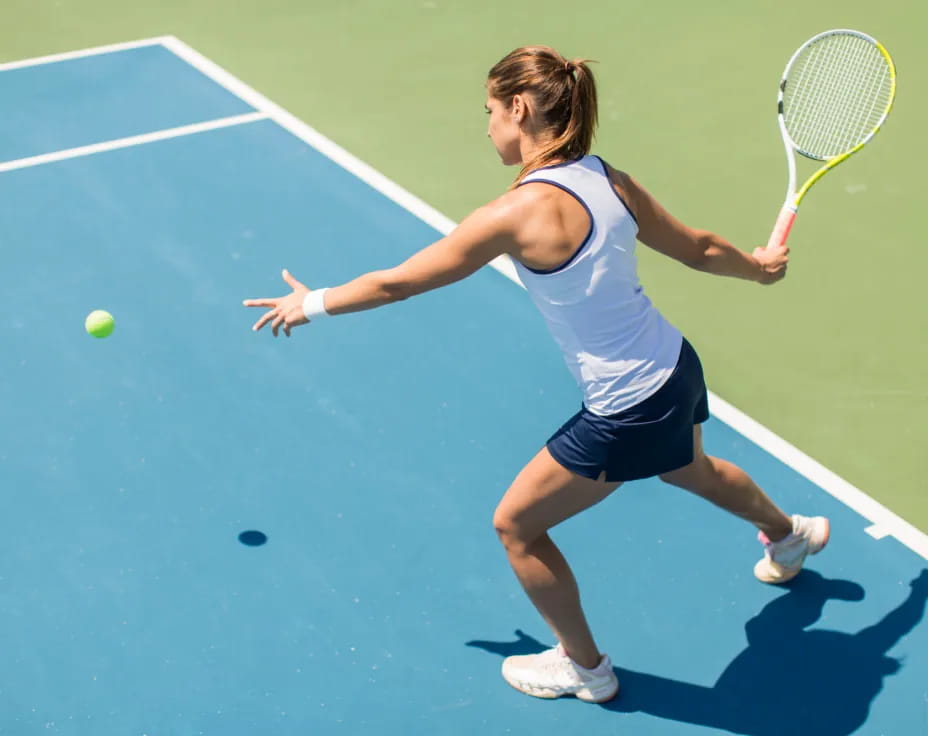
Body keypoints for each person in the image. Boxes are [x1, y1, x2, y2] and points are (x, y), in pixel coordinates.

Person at [242, 45, 830, 704]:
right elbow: (699, 249)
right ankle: (791, 534)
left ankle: (585, 667)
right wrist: (757, 267)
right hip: (673, 368)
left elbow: (399, 282)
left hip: (626, 406)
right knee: (689, 468)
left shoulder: (513, 215)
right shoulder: (609, 179)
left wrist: (312, 302)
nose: (486, 125)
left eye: (490, 111)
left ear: (519, 109)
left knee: (516, 527)